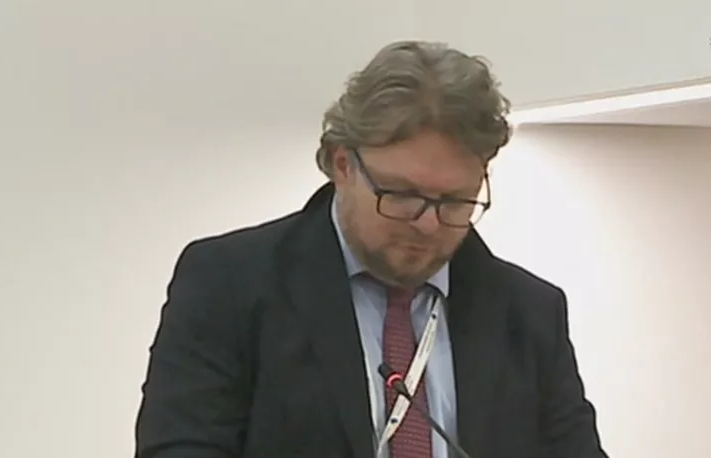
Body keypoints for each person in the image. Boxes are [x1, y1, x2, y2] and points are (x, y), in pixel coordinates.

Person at [134, 40, 609, 458]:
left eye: (454, 201)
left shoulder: (529, 312)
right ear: (342, 165)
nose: (427, 224)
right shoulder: (228, 284)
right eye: (402, 195)